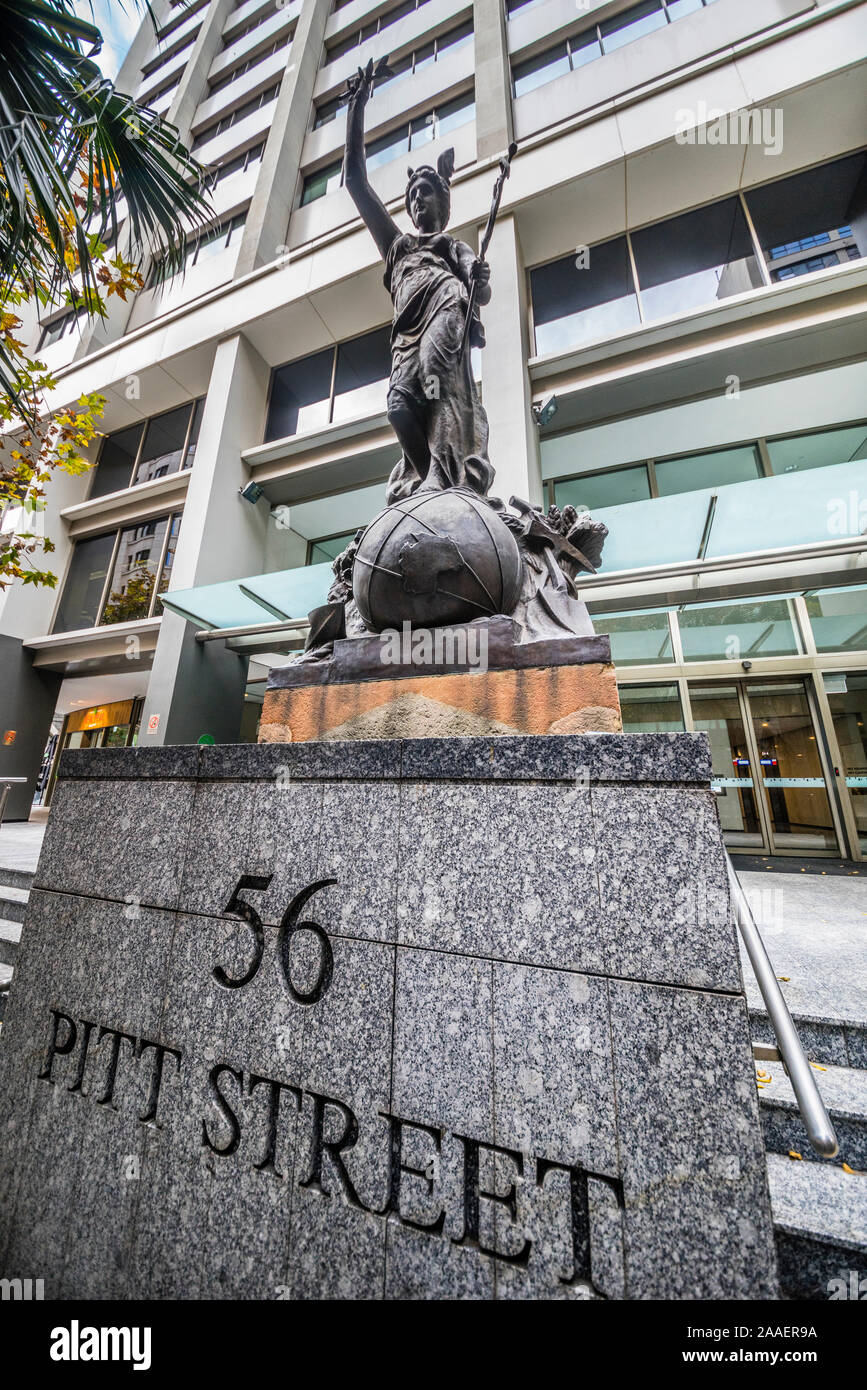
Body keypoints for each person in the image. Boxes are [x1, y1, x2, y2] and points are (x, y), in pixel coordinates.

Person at [343, 61, 494, 504]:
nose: (416, 200)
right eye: (411, 195)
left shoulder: (450, 244)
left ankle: (441, 478)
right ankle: (428, 479)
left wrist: (478, 276)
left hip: (446, 306)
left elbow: (480, 289)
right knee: (398, 405)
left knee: (437, 381)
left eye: (424, 192)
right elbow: (355, 182)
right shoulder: (397, 247)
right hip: (405, 332)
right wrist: (357, 107)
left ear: (442, 202)